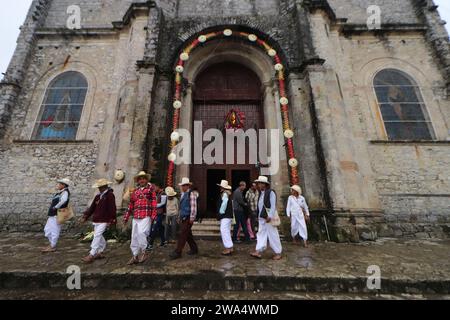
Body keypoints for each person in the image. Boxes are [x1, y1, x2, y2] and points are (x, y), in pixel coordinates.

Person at [123, 171, 157, 265]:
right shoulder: (135, 191)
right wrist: (126, 217)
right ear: (138, 180)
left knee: (142, 233)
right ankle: (135, 256)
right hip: (136, 216)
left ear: (146, 180)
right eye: (140, 179)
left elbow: (154, 203)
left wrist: (154, 215)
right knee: (134, 236)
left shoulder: (150, 189)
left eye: (143, 178)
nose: (142, 180)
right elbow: (131, 205)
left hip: (146, 215)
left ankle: (144, 251)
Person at [80, 179, 117, 263]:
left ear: (105, 186)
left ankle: (92, 254)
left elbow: (112, 208)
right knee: (99, 235)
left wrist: (112, 219)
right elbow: (92, 208)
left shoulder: (110, 195)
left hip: (104, 219)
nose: (99, 188)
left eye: (101, 187)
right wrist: (85, 216)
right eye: (99, 187)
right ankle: (100, 251)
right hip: (97, 219)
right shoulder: (98, 196)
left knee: (97, 235)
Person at [250, 176, 282, 261]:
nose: (259, 185)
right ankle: (258, 251)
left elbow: (272, 205)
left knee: (273, 234)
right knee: (261, 234)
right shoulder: (261, 193)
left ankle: (278, 252)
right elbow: (260, 206)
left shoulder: (270, 193)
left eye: (260, 183)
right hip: (262, 217)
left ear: (264, 184)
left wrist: (270, 216)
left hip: (268, 218)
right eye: (258, 183)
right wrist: (258, 216)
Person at [169, 177, 198, 260]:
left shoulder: (191, 194)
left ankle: (178, 252)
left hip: (188, 217)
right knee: (188, 235)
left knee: (182, 234)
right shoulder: (183, 194)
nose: (183, 187)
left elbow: (193, 207)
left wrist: (192, 217)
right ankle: (194, 249)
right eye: (182, 185)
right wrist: (179, 217)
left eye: (185, 185)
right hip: (183, 217)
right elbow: (181, 207)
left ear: (188, 186)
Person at [42, 178, 71, 253]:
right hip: (52, 214)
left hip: (57, 214)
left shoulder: (65, 192)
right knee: (47, 230)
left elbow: (64, 200)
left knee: (55, 230)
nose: (58, 185)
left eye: (59, 184)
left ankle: (52, 246)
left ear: (63, 185)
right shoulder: (60, 192)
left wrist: (56, 207)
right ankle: (52, 244)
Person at [217, 180, 234, 256]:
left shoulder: (225, 194)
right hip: (228, 215)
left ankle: (228, 248)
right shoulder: (228, 194)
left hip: (225, 215)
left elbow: (224, 204)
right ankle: (230, 247)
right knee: (226, 230)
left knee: (224, 230)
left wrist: (221, 212)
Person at [148, 184, 167, 250]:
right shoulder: (157, 193)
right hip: (156, 213)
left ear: (158, 186)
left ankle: (150, 244)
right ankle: (164, 241)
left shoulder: (163, 193)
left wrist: (154, 205)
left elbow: (163, 203)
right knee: (160, 227)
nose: (154, 188)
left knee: (154, 228)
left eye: (155, 187)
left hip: (160, 213)